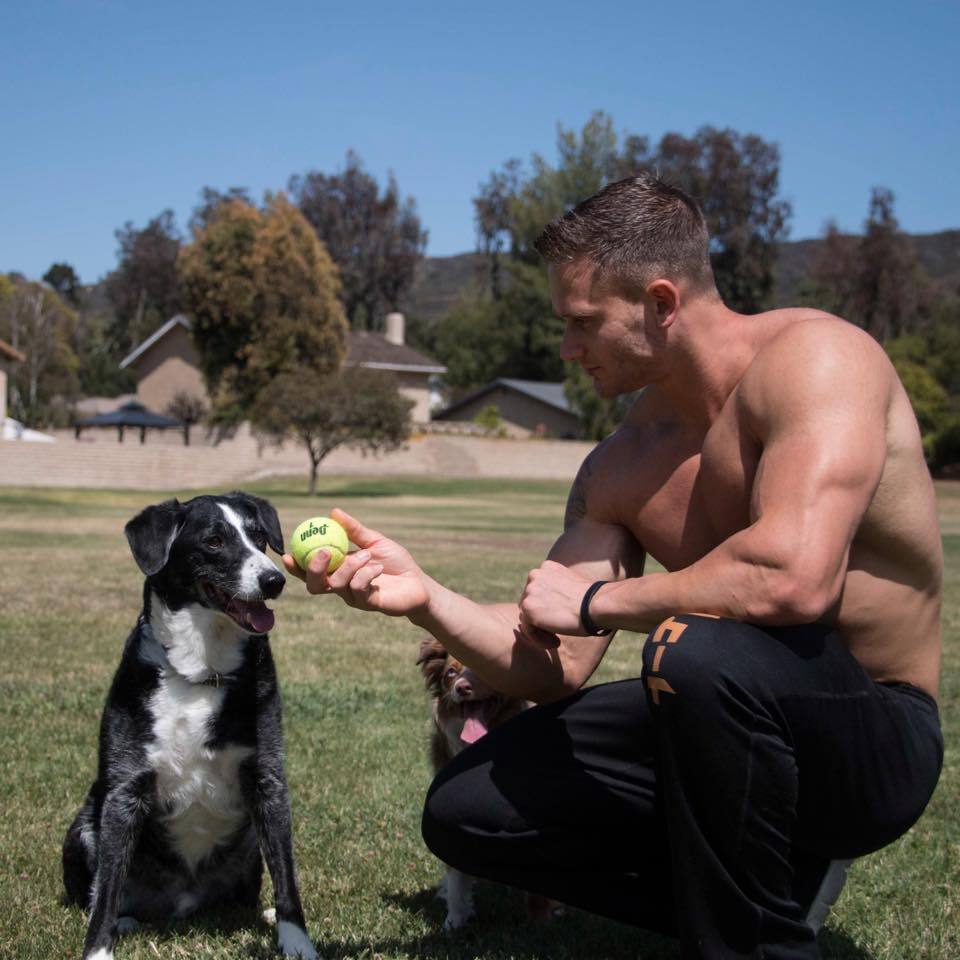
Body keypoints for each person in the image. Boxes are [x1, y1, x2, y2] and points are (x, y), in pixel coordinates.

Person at [283, 174, 944, 959]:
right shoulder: (622, 463)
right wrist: (425, 596)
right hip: (720, 721)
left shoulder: (819, 362)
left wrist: (600, 599)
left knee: (688, 645)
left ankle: (756, 945)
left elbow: (792, 579)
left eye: (583, 322)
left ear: (661, 303)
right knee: (466, 806)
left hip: (869, 740)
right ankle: (760, 895)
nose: (566, 348)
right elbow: (549, 662)